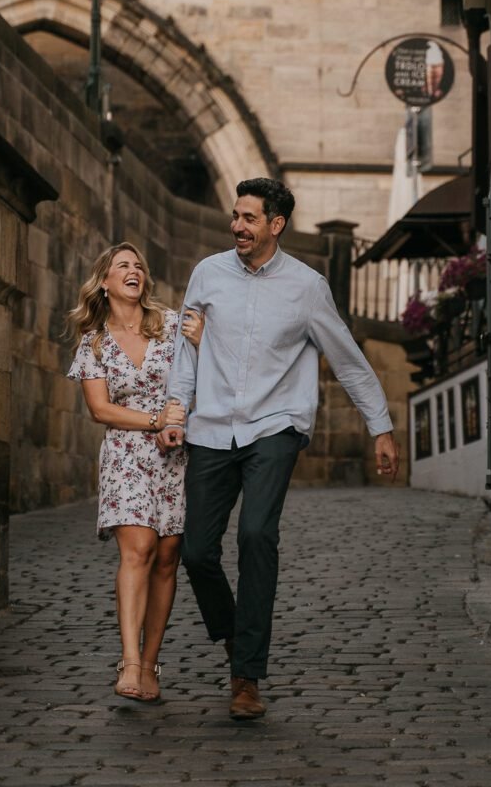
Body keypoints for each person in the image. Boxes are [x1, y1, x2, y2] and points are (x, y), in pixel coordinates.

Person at [158, 178, 400, 720]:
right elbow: (185, 352)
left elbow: (347, 359)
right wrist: (178, 410)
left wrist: (379, 428)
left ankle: (246, 675)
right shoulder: (207, 274)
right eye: (235, 216)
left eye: (249, 218)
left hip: (276, 425)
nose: (237, 226)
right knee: (196, 550)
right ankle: (234, 634)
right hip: (212, 427)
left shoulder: (308, 287)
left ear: (276, 225)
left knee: (257, 534)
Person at [67, 242, 202, 703]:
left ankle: (149, 665)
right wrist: (153, 421)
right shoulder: (94, 342)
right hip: (126, 455)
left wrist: (201, 344)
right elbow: (100, 410)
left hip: (176, 454)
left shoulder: (169, 324)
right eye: (122, 265)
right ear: (104, 282)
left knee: (167, 558)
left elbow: (199, 375)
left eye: (138, 265)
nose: (134, 270)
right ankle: (128, 660)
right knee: (138, 549)